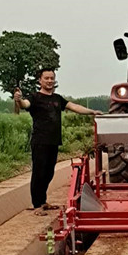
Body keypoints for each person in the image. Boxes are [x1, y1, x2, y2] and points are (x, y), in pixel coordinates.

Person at [14, 68, 102, 215]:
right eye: (46, 78)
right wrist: (18, 100)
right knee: (39, 173)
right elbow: (25, 104)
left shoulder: (57, 99)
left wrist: (92, 111)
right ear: (40, 80)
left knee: (49, 173)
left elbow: (74, 107)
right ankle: (37, 205)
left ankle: (43, 200)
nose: (49, 81)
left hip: (53, 141)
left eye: (52, 78)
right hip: (40, 141)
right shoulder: (35, 97)